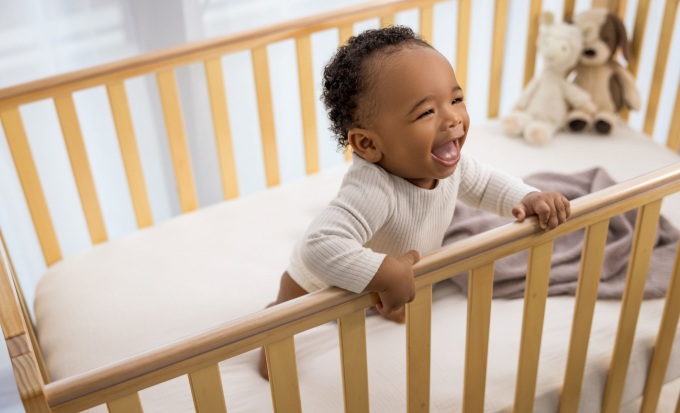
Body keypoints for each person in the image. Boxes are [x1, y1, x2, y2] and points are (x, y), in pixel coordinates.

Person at [258, 26, 571, 379]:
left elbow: (485, 185)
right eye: (426, 113)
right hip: (315, 277)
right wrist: (384, 272)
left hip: (385, 264)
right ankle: (268, 340)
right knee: (285, 316)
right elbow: (320, 245)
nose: (453, 118)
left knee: (384, 284)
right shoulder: (374, 190)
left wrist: (527, 197)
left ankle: (378, 293)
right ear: (368, 145)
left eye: (455, 100)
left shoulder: (449, 165)